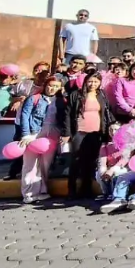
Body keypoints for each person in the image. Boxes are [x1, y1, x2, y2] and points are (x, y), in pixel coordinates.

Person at [59, 71, 115, 199]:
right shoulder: (76, 95)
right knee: (76, 161)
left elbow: (107, 113)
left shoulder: (101, 95)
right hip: (80, 132)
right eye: (90, 81)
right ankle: (72, 190)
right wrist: (66, 133)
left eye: (96, 81)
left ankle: (86, 189)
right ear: (85, 82)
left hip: (96, 132)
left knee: (91, 161)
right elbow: (67, 115)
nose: (92, 84)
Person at [17, 76, 64, 203]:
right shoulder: (34, 98)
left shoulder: (60, 101)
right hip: (35, 132)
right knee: (30, 164)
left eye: (56, 86)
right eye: (50, 85)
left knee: (45, 165)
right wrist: (26, 134)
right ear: (45, 85)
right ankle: (28, 193)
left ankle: (42, 190)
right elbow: (25, 116)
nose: (52, 88)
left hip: (53, 134)